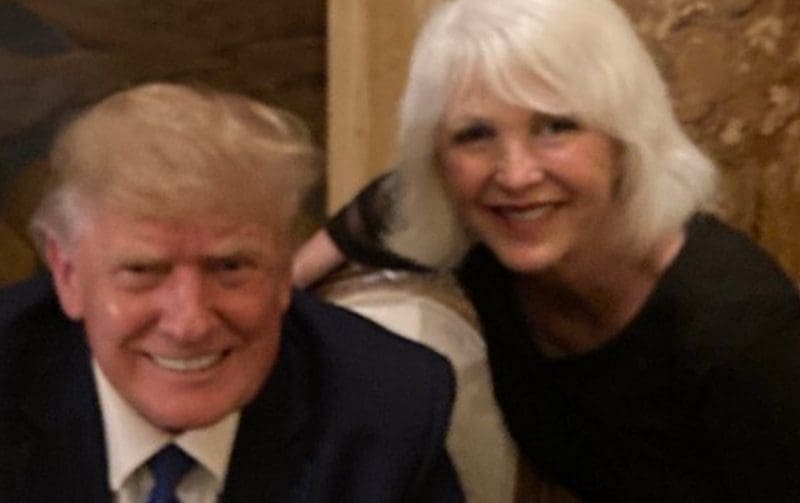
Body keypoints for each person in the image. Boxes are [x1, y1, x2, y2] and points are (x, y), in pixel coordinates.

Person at [294, 0, 800, 500]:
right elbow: (381, 208)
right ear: (439, 162)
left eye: (556, 126)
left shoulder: (738, 333)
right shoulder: (481, 240)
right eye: (475, 135)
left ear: (624, 137)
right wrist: (280, 289)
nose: (515, 175)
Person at [0, 83, 464, 502]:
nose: (189, 323)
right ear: (68, 275)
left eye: (230, 267)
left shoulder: (382, 412)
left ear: (283, 271)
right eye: (143, 271)